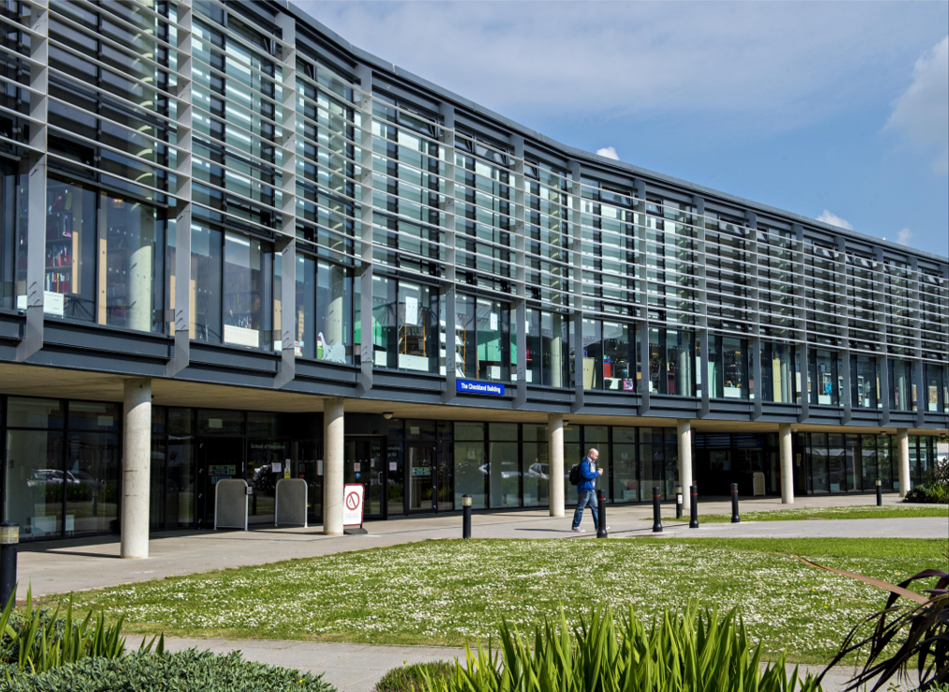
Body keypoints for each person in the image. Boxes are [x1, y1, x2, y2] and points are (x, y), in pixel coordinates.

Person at [571, 448, 605, 533]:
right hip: (585, 489)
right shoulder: (585, 463)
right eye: (596, 455)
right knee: (580, 508)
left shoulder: (591, 463)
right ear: (591, 454)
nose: (597, 457)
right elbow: (586, 475)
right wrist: (598, 473)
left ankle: (599, 527)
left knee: (595, 508)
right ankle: (575, 526)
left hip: (591, 489)